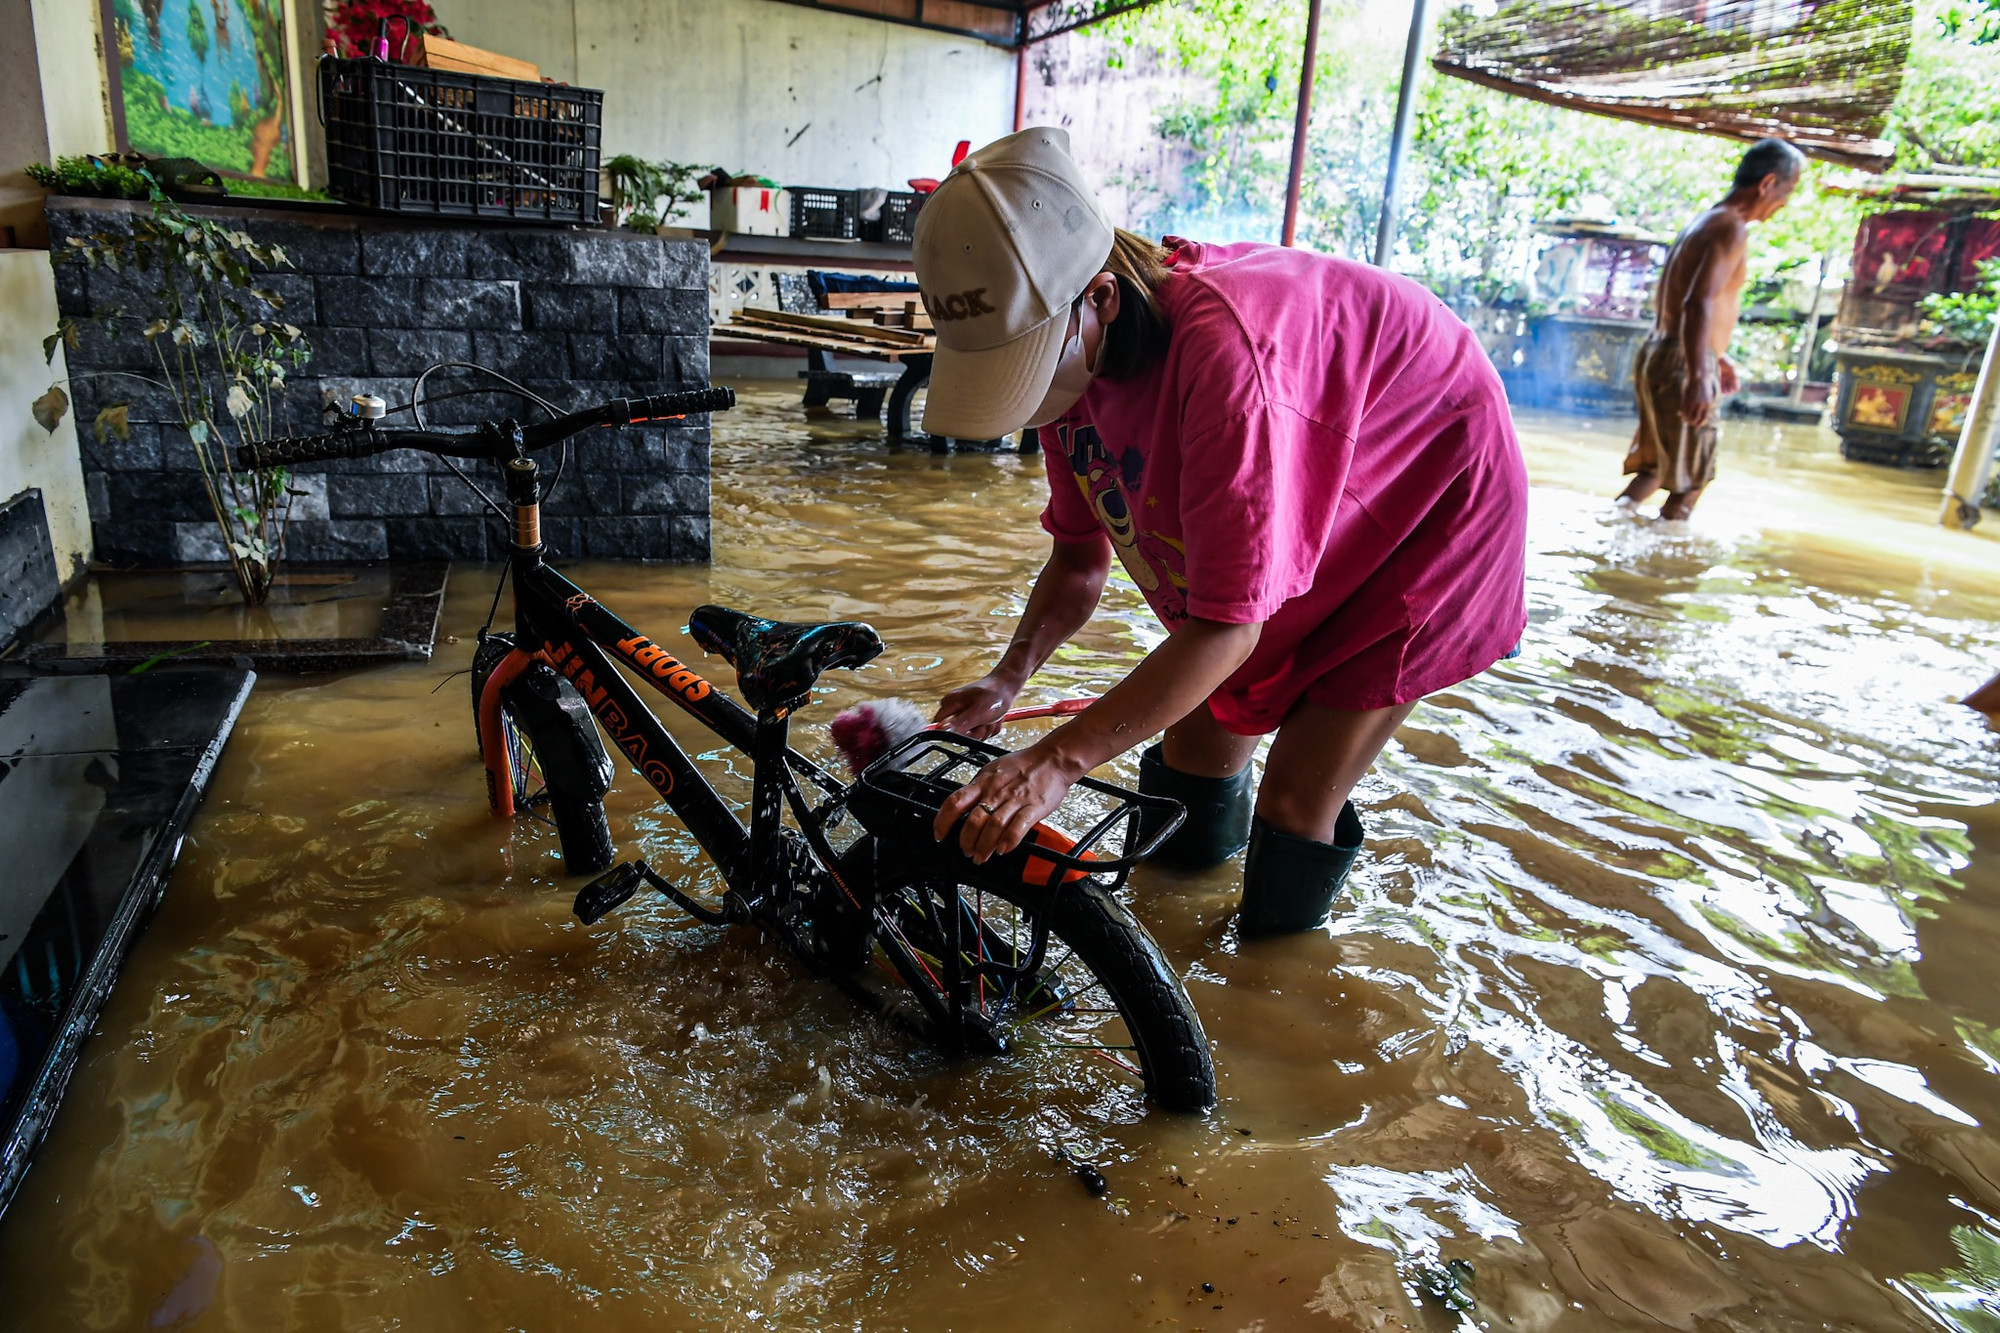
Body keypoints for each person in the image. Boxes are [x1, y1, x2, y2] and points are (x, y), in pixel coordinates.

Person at [908, 128, 1528, 937]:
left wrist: (1058, 758)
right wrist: (1008, 677)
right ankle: (1171, 943)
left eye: (1025, 367)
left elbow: (1230, 626)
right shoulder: (1070, 378)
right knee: (1195, 747)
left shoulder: (1230, 362)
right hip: (1308, 502)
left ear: (1098, 298)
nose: (1024, 404)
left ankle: (1269, 976)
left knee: (1298, 794)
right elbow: (1078, 557)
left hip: (1426, 515)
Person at [1618, 138, 1804, 521]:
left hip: (1660, 351)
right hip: (1683, 361)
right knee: (1691, 482)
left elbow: (1684, 302)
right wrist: (1700, 373)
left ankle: (1615, 528)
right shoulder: (1731, 228)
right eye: (1788, 191)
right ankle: (1659, 576)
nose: (1785, 203)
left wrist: (1718, 356)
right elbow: (1697, 302)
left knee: (1656, 469)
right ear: (1768, 183)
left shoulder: (1703, 221)